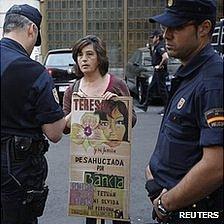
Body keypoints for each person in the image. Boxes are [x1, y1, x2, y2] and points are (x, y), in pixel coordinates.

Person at [144, 0, 223, 223]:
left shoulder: (213, 81)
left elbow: (216, 166)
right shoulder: (190, 71)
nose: (167, 34)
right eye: (165, 27)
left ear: (204, 28)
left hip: (195, 212)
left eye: (177, 27)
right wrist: (152, 174)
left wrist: (165, 203)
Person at [1, 4, 69, 224]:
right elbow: (54, 132)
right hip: (17, 170)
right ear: (31, 29)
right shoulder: (32, 70)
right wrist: (71, 115)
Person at [63, 35, 137, 224]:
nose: (83, 59)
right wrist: (76, 109)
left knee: (117, 211)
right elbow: (64, 127)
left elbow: (132, 120)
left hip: (113, 160)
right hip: (86, 161)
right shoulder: (73, 89)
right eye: (79, 55)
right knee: (91, 211)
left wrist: (117, 105)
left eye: (89, 54)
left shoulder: (117, 84)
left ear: (100, 58)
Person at [139, 30, 169, 114]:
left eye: (153, 37)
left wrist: (160, 65)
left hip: (160, 70)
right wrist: (150, 49)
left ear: (157, 37)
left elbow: (165, 57)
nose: (152, 39)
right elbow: (155, 57)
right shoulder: (156, 46)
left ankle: (167, 107)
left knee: (162, 90)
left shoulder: (160, 46)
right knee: (151, 88)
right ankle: (145, 105)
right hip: (157, 71)